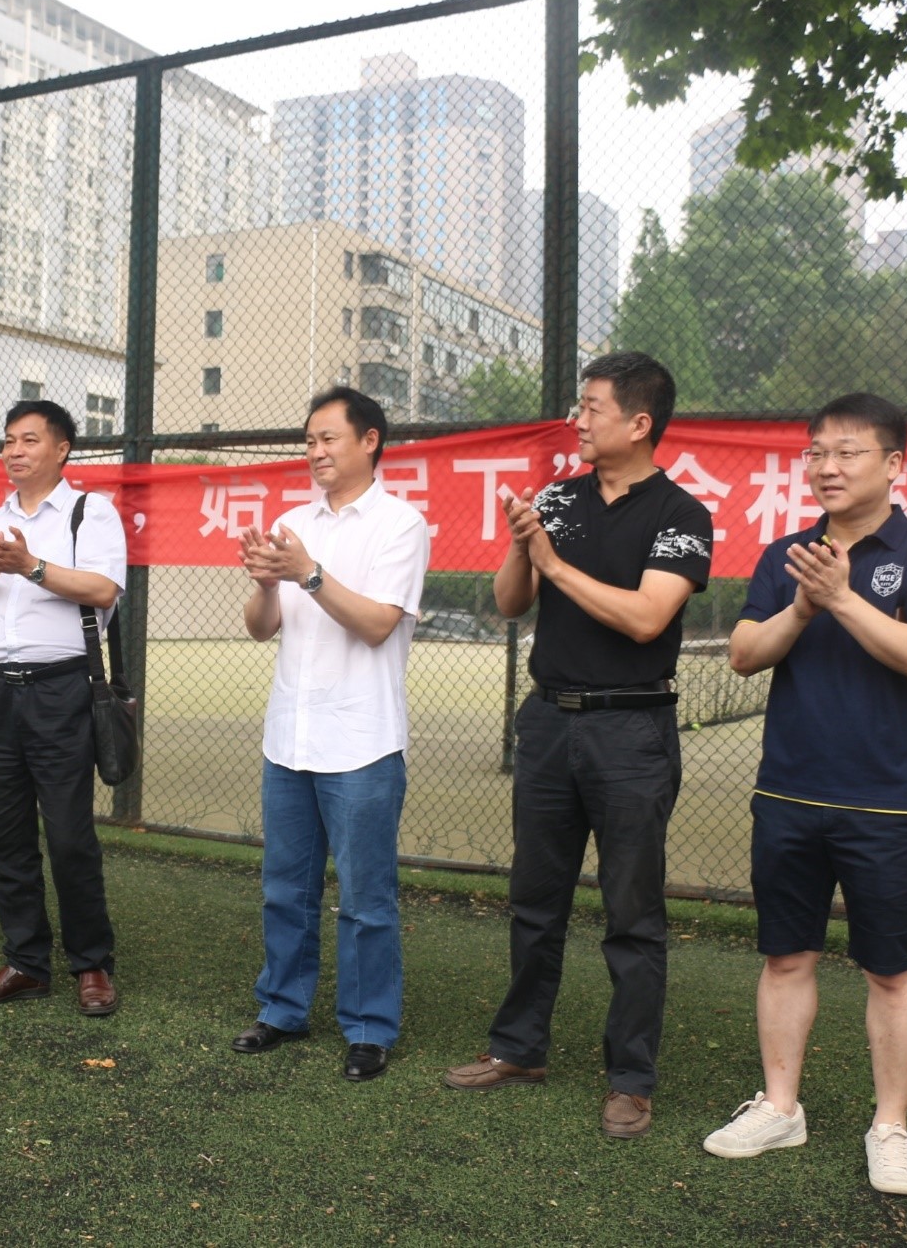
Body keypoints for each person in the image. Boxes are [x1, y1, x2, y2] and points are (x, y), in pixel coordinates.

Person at [702, 393, 907, 1196]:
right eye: (815, 452)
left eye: (847, 452)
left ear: (893, 464)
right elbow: (744, 653)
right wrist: (802, 603)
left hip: (886, 801)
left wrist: (843, 598)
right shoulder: (787, 554)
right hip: (786, 791)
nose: (826, 466)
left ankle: (890, 1126)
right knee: (786, 955)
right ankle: (780, 1107)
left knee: (889, 968)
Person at [445, 351, 713, 1139]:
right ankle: (517, 1047)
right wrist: (522, 543)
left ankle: (629, 1078)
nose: (577, 419)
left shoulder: (680, 514)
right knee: (534, 899)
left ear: (638, 422)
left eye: (592, 406)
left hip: (630, 730)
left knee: (631, 912)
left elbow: (645, 618)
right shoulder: (557, 498)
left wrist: (553, 562)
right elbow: (509, 602)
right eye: (578, 405)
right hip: (548, 722)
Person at [230, 388, 430, 1083]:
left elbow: (377, 624)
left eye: (328, 438)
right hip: (290, 736)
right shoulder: (292, 522)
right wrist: (265, 582)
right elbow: (260, 628)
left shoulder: (401, 524)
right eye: (309, 440)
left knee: (366, 900)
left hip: (362, 742)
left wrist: (307, 573)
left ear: (370, 441)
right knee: (284, 889)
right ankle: (282, 1008)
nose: (315, 451)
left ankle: (369, 1027)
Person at [0, 398, 124, 1017]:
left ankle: (91, 964)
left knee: (70, 836)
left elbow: (103, 589)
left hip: (61, 689)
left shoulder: (89, 512)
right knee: (5, 835)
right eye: (8, 441)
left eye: (28, 440)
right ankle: (25, 962)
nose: (14, 451)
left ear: (62, 448)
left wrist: (30, 566)